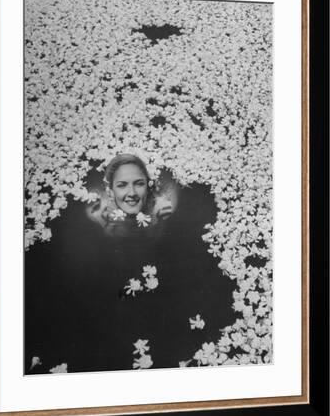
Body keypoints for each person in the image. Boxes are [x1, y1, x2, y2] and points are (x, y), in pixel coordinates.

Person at [24, 154, 236, 374]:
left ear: (148, 186)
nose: (132, 193)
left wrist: (161, 222)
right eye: (122, 185)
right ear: (111, 191)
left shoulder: (162, 208)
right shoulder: (97, 214)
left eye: (139, 184)